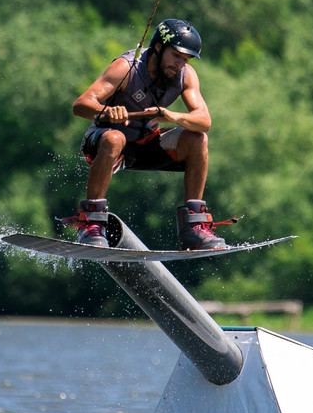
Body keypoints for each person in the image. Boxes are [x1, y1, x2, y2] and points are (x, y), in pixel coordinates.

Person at [71, 18, 226, 251]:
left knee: (197, 138)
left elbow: (204, 121)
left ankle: (194, 228)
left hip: (146, 144)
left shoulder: (186, 76)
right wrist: (107, 111)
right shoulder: (126, 67)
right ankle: (91, 223)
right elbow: (80, 105)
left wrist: (170, 116)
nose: (180, 64)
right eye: (176, 56)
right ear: (158, 47)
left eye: (185, 59)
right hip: (106, 143)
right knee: (115, 139)